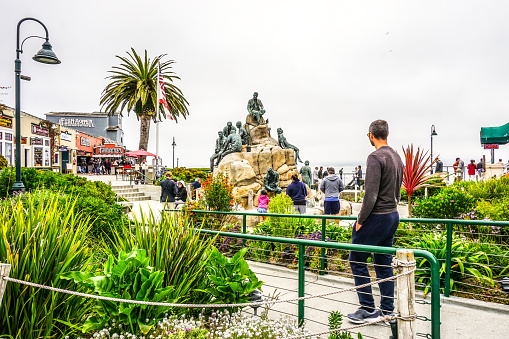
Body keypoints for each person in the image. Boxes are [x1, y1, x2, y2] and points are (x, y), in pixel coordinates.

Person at [347, 119, 404, 324]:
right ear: (387, 133)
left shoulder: (375, 157)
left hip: (377, 216)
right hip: (392, 215)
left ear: (371, 135)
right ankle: (387, 311)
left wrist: (360, 220)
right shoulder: (397, 157)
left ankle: (367, 308)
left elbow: (370, 195)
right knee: (383, 263)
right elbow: (397, 191)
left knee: (356, 259)